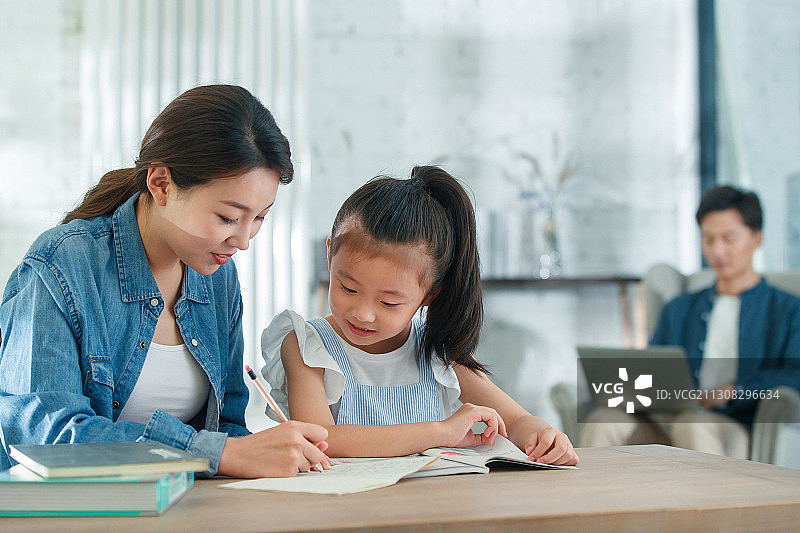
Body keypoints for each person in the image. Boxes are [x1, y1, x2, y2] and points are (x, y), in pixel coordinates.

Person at [0, 84, 331, 477]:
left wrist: (267, 451)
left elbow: (226, 426)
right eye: (228, 217)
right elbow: (43, 436)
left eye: (259, 218)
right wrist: (215, 454)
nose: (242, 241)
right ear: (161, 185)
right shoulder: (64, 264)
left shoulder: (217, 275)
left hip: (181, 506)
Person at [261, 166, 578, 465]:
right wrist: (441, 432)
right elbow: (320, 439)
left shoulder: (434, 349)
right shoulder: (305, 345)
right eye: (347, 288)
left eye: (389, 303)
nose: (363, 313)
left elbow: (516, 420)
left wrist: (542, 435)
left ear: (428, 295)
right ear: (329, 255)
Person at [581, 185, 800, 458]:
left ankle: (710, 502)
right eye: (708, 239)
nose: (717, 250)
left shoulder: (788, 309)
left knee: (691, 423)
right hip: (667, 416)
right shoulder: (680, 308)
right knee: (604, 420)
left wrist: (736, 390)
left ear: (757, 238)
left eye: (728, 238)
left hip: (730, 423)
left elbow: (795, 373)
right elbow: (651, 366)